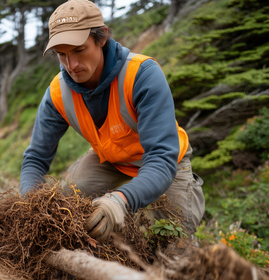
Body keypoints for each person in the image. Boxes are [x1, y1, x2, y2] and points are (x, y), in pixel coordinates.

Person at [20, 0, 205, 242]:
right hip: (111, 160)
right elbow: (36, 158)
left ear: (102, 37)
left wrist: (120, 200)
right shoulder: (58, 93)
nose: (71, 65)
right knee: (67, 206)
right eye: (61, 54)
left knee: (172, 243)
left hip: (166, 164)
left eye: (78, 50)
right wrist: (30, 206)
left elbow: (161, 157)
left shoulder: (142, 74)